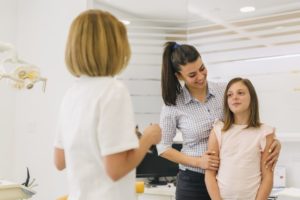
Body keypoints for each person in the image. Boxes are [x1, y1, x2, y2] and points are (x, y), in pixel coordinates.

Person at [53, 9, 161, 200]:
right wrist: (148, 139)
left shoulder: (71, 94)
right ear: (115, 47)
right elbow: (115, 169)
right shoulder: (113, 91)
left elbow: (60, 161)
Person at [156, 42, 281, 200]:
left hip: (226, 181)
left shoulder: (225, 91)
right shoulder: (173, 105)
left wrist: (273, 142)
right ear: (179, 76)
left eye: (202, 68)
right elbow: (163, 147)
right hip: (193, 182)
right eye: (192, 75)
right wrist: (199, 162)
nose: (201, 77)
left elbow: (246, 122)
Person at [205, 77, 275, 200]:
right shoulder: (218, 130)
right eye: (230, 95)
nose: (234, 97)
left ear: (252, 98)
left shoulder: (265, 133)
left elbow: (267, 176)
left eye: (240, 93)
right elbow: (210, 175)